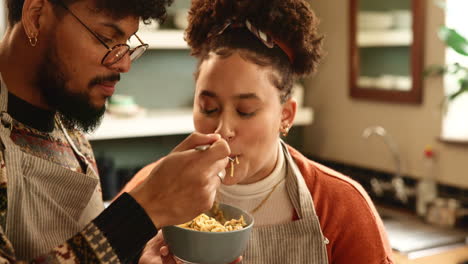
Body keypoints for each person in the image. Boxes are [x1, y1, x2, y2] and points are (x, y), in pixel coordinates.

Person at [121, 0, 395, 263]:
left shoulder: (343, 207)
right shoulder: (150, 191)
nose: (222, 131)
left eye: (245, 111)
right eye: (208, 108)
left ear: (285, 116)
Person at [0, 0, 233, 262]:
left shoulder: (70, 134)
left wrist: (136, 257)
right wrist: (142, 211)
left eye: (126, 46)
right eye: (106, 38)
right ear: (36, 16)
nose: (124, 65)